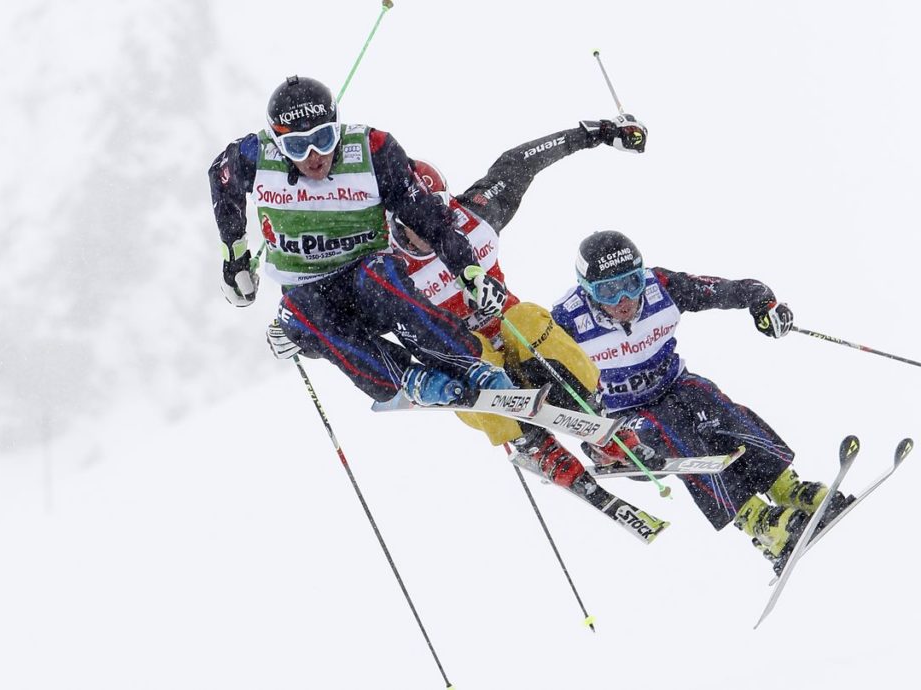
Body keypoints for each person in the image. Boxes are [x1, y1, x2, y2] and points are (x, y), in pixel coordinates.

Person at [269, 119, 658, 525]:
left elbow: (518, 164)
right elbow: (335, 323)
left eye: (434, 216)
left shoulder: (474, 216)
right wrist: (295, 336)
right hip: (469, 362)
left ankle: (601, 425)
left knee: (525, 317)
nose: (422, 234)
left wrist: (596, 132)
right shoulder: (381, 264)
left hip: (520, 343)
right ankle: (532, 444)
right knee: (475, 357)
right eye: (408, 225)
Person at [551, 230, 850, 572]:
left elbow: (719, 290)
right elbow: (539, 368)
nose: (624, 299)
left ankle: (786, 488)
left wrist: (762, 301)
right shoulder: (566, 321)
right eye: (608, 290)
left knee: (713, 403)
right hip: (623, 417)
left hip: (675, 383)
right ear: (587, 291)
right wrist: (589, 435)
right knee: (671, 429)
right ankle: (758, 521)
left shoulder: (659, 286)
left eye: (631, 282)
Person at [209, 75, 513, 406]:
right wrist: (234, 258)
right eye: (298, 146)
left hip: (368, 280)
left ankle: (466, 364)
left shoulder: (373, 150)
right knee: (294, 311)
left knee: (377, 278)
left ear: (337, 127)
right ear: (278, 144)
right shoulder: (254, 156)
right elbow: (220, 177)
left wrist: (468, 270)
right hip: (315, 298)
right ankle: (406, 378)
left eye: (324, 139)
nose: (314, 156)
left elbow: (429, 219)